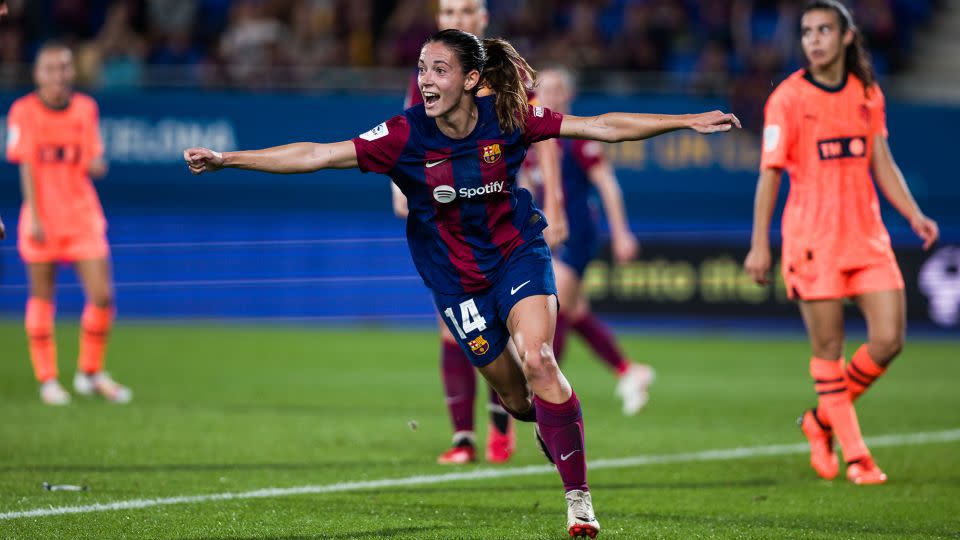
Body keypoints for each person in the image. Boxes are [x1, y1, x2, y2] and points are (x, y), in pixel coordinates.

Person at [185, 29, 739, 537]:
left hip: (517, 256)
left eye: (439, 69)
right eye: (422, 68)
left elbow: (601, 126)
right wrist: (230, 158)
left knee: (540, 359)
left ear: (471, 80)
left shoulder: (509, 117)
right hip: (456, 283)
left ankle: (579, 500)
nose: (426, 79)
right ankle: (548, 422)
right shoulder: (403, 134)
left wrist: (685, 120)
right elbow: (317, 153)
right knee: (520, 402)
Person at [744, 0, 938, 485]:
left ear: (846, 36)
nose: (813, 39)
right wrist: (760, 243)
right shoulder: (786, 99)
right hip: (813, 239)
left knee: (889, 340)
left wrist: (913, 213)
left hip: (867, 236)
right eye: (807, 31)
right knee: (829, 349)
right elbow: (769, 175)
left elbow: (882, 161)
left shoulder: (867, 92)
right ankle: (858, 457)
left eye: (824, 30)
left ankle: (821, 420)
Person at [393, 0, 567, 465]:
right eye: (450, 10)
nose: (458, 18)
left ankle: (503, 429)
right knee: (456, 333)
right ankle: (466, 437)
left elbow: (544, 131)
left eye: (468, 10)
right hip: (451, 218)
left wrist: (555, 202)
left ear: (484, 18)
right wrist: (401, 188)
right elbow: (403, 138)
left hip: (503, 208)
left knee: (520, 340)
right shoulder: (430, 78)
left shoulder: (504, 73)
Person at [6, 42, 132, 406]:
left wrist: (94, 164)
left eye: (64, 67)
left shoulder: (85, 108)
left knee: (103, 296)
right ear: (37, 74)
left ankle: (89, 373)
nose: (58, 75)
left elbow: (93, 155)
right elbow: (27, 163)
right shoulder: (24, 111)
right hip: (42, 218)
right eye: (50, 68)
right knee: (42, 298)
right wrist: (35, 215)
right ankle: (48, 379)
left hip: (82, 216)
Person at [529, 66, 655, 415]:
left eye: (556, 89)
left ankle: (545, 392)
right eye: (544, 89)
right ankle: (630, 371)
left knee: (555, 308)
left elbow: (608, 186)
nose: (550, 95)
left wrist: (621, 232)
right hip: (549, 234)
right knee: (574, 310)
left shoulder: (578, 138)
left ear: (568, 96)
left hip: (578, 233)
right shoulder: (535, 135)